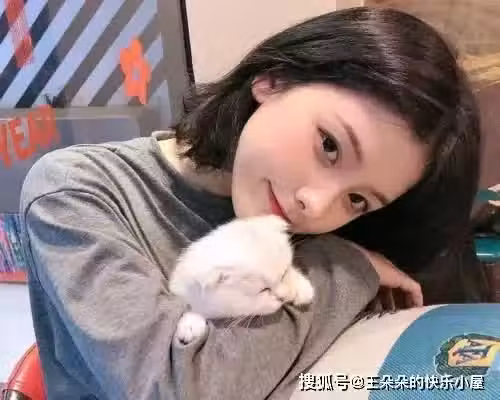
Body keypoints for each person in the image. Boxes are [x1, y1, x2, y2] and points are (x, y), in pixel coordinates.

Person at [19, 7, 480, 400]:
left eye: (357, 199)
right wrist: (343, 267)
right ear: (273, 79)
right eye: (329, 146)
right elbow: (177, 389)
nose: (316, 205)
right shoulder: (78, 191)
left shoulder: (330, 234)